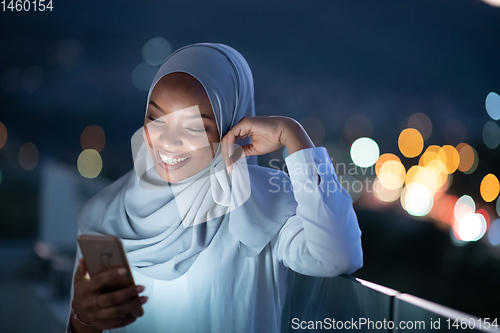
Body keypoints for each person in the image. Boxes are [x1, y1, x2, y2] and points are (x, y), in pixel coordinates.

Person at [66, 42, 363, 333]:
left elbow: (338, 255)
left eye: (194, 127)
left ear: (229, 125)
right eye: (156, 118)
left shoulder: (261, 203)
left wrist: (293, 134)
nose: (168, 141)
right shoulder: (105, 213)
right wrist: (82, 319)